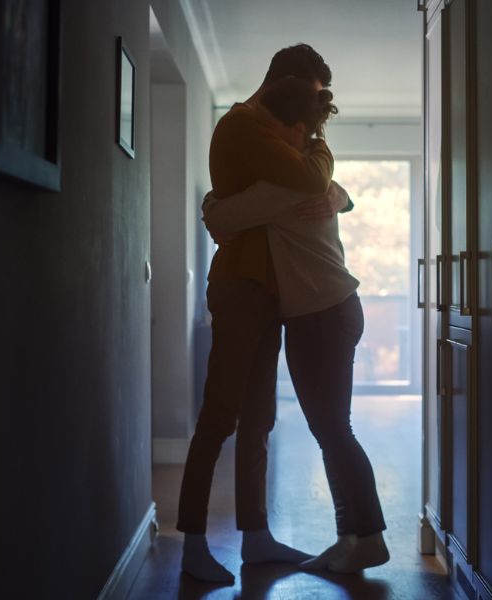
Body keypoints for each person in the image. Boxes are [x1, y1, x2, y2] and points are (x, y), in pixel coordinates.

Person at [176, 44, 352, 584]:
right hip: (241, 289)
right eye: (311, 103)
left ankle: (256, 537)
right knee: (220, 415)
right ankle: (193, 544)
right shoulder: (245, 127)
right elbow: (305, 182)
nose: (311, 122)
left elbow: (312, 187)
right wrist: (325, 175)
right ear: (288, 86)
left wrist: (338, 194)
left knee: (259, 419)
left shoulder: (277, 130)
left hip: (270, 290)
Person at [202, 76, 389, 573]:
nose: (270, 145)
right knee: (331, 428)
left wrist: (211, 203)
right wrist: (339, 194)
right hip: (325, 312)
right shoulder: (310, 176)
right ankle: (353, 537)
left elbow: (220, 217)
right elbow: (329, 188)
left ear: (296, 130)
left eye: (276, 133)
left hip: (324, 314)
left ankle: (366, 536)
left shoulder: (286, 184)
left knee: (333, 428)